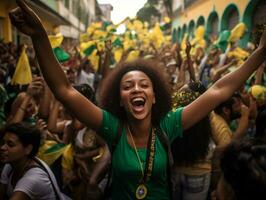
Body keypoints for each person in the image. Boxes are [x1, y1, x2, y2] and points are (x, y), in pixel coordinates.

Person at [9, 0, 266, 199]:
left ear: (155, 97)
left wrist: (260, 53)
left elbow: (219, 90)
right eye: (127, 86)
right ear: (119, 100)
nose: (136, 90)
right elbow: (64, 90)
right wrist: (40, 36)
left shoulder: (169, 124)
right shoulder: (113, 127)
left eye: (144, 85)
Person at [0, 122, 69, 200]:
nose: (2, 148)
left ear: (28, 149)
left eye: (10, 145)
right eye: (2, 143)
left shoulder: (34, 178)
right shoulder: (10, 165)